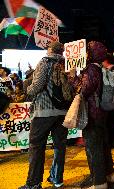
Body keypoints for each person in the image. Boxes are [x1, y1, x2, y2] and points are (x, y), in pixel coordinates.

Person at [19, 41, 69, 189]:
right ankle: (57, 179)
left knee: (36, 146)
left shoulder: (45, 61)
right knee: (60, 146)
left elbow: (38, 86)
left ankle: (34, 183)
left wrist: (27, 89)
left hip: (44, 111)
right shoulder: (66, 63)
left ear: (50, 49)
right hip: (63, 112)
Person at [70, 41, 114, 189]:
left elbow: (84, 89)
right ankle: (109, 175)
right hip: (101, 114)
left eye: (87, 50)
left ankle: (99, 182)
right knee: (103, 146)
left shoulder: (90, 69)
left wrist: (73, 76)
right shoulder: (101, 68)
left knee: (93, 148)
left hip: (92, 114)